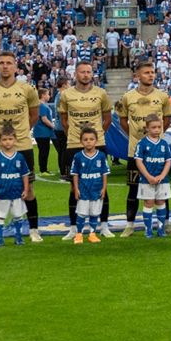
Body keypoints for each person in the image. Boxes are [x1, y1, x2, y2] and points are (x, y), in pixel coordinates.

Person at [0, 52, 41, 243]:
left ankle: (34, 230)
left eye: (9, 63)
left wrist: (18, 135)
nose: (5, 66)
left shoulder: (27, 89)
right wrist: (0, 136)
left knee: (28, 189)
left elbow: (33, 116)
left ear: (15, 67)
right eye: (1, 63)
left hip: (22, 145)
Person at [58, 60, 113, 238]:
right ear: (76, 74)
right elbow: (64, 120)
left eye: (88, 72)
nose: (85, 75)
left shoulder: (101, 93)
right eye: (82, 72)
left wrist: (96, 137)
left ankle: (103, 226)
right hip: (73, 145)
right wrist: (75, 137)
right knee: (73, 188)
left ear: (92, 74)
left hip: (97, 144)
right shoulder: (66, 95)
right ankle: (74, 228)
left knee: (101, 186)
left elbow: (107, 119)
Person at [116, 60, 171, 237]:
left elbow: (167, 120)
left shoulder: (162, 96)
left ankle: (167, 223)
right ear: (137, 76)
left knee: (162, 188)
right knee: (133, 188)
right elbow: (123, 121)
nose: (151, 75)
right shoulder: (128, 97)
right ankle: (130, 225)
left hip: (158, 152)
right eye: (146, 72)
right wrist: (137, 136)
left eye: (152, 72)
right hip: (136, 151)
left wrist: (155, 135)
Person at [0, 126, 33, 247]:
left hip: (17, 192)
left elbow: (25, 174)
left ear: (15, 140)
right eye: (5, 139)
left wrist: (26, 189)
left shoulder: (20, 157)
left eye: (10, 139)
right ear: (0, 141)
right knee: (0, 216)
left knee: (18, 215)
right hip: (2, 192)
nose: (8, 142)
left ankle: (18, 237)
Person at [135, 115, 171, 238]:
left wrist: (162, 175)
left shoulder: (164, 143)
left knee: (161, 201)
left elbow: (168, 160)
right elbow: (139, 161)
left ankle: (161, 229)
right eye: (153, 127)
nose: (157, 130)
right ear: (147, 128)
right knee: (149, 202)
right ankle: (148, 230)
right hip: (146, 180)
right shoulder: (142, 143)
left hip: (162, 180)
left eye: (159, 127)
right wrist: (148, 176)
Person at [69, 127, 109, 243]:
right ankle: (79, 234)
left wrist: (104, 188)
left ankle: (92, 234)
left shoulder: (101, 156)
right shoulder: (78, 156)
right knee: (81, 213)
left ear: (96, 141)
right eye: (85, 139)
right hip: (84, 190)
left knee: (94, 213)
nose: (88, 141)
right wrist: (76, 189)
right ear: (81, 141)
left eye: (91, 139)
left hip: (96, 189)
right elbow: (75, 174)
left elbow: (104, 174)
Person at [34, 88, 59, 174]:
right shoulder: (41, 105)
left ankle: (43, 169)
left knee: (44, 151)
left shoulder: (42, 105)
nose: (49, 96)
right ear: (43, 95)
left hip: (43, 133)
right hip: (42, 133)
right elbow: (44, 119)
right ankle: (43, 170)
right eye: (48, 94)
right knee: (44, 151)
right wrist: (54, 127)